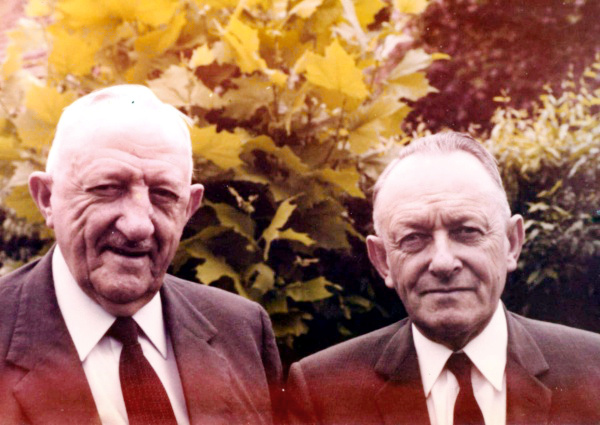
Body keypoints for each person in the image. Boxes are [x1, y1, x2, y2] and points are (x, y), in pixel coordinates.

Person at [0, 85, 282, 425]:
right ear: (47, 199)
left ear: (188, 209)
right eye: (107, 188)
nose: (138, 225)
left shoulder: (241, 330)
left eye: (164, 194)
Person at [286, 132, 600, 425]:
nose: (443, 262)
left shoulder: (593, 371)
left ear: (512, 243)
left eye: (467, 231)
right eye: (413, 237)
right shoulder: (321, 392)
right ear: (382, 260)